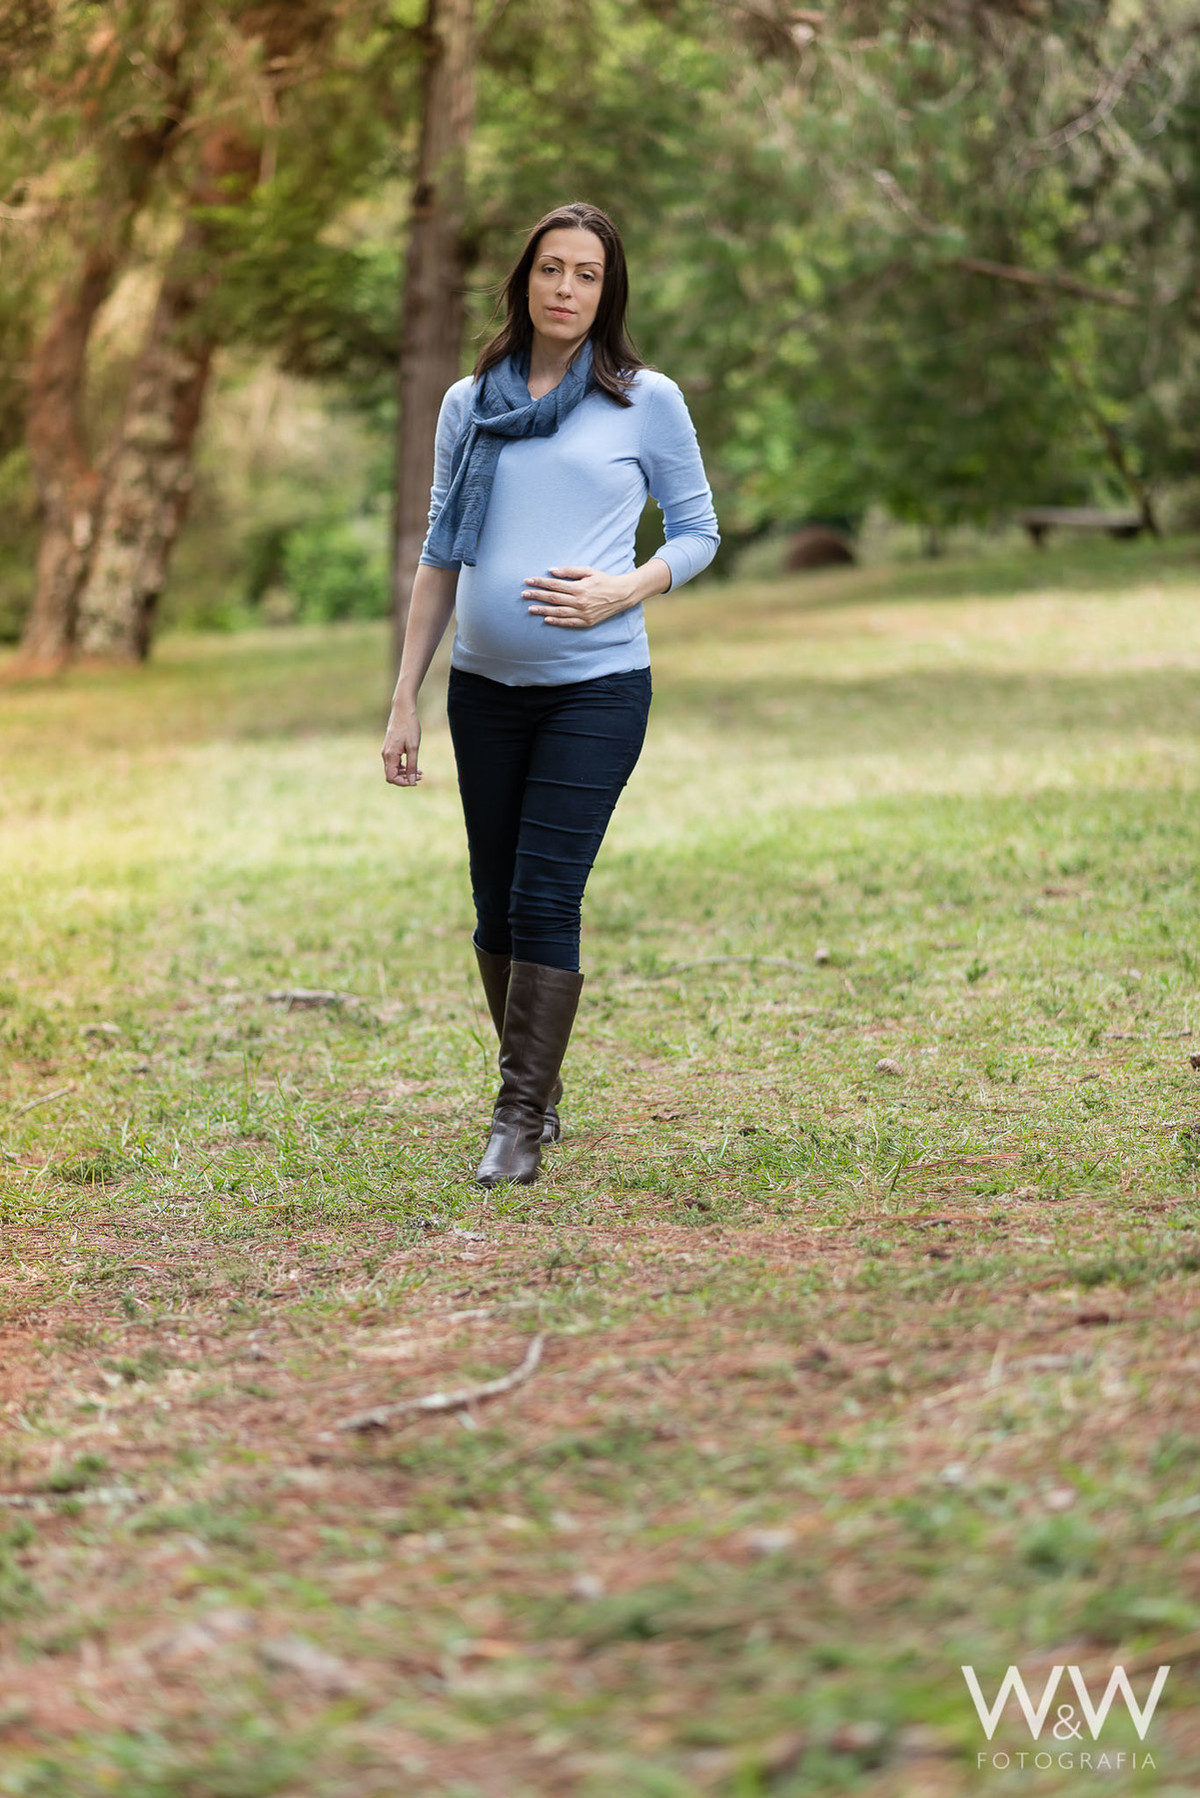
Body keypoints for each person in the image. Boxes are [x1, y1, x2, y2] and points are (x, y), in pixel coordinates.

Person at [381, 200, 719, 1189]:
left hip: (597, 690)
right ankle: (537, 1076)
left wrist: (627, 587)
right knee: (493, 903)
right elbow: (441, 554)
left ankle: (518, 1118)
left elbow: (698, 532)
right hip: (483, 691)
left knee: (544, 894)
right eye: (551, 268)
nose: (566, 288)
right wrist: (404, 697)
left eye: (587, 274)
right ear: (524, 280)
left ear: (608, 293)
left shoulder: (644, 400)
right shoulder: (468, 402)